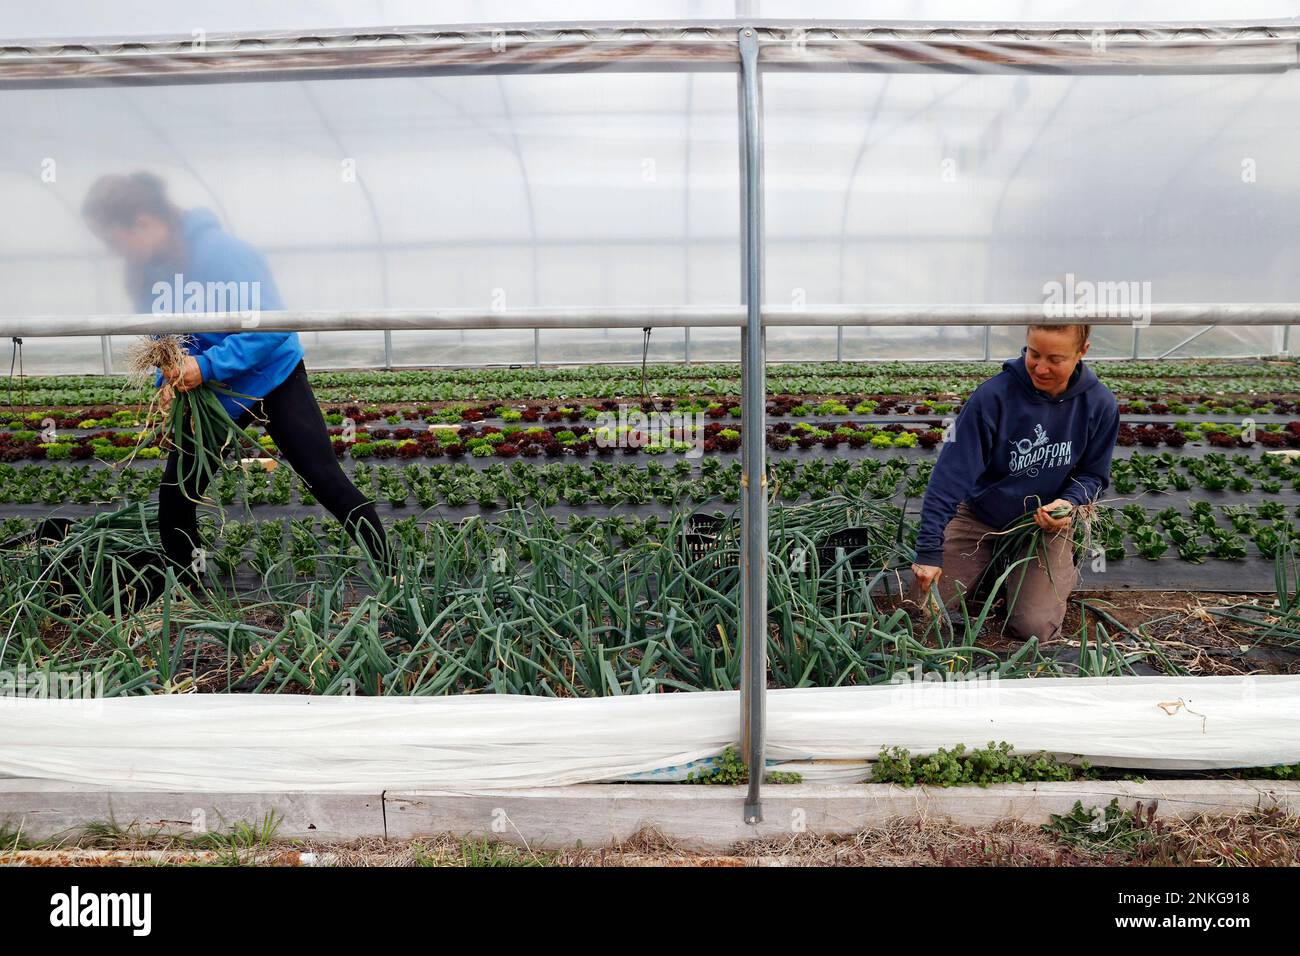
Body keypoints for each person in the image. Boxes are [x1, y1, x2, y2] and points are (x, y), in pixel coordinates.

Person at [82, 172, 390, 589]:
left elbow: (273, 327)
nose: (114, 251)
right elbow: (163, 340)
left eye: (113, 239)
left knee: (324, 479)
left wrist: (205, 366)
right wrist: (166, 386)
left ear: (142, 222)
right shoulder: (148, 271)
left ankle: (393, 578)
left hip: (272, 378)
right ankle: (190, 592)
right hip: (211, 395)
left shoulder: (221, 254)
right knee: (177, 496)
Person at [910, 323, 1119, 641]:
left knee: (1033, 628)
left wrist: (1069, 503)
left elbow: (1094, 474)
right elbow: (950, 475)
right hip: (982, 516)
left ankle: (1043, 571)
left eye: (1055, 359)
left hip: (1044, 526)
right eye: (1034, 354)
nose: (1041, 367)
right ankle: (989, 563)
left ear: (1082, 352)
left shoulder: (1099, 404)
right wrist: (928, 551)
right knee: (923, 611)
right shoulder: (994, 396)